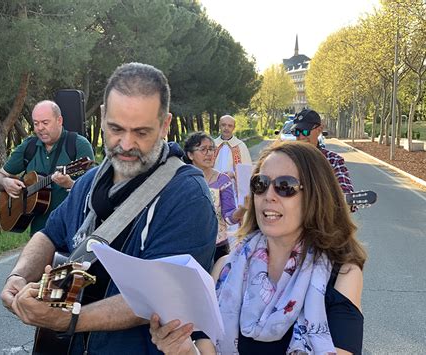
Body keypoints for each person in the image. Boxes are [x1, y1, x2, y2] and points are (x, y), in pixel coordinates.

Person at [0, 62, 218, 354]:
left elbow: (159, 296)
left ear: (165, 125)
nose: (126, 144)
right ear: (102, 116)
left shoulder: (188, 197)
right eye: (116, 128)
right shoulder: (90, 181)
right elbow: (51, 234)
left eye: (141, 132)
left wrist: (70, 319)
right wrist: (19, 276)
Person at [149, 141, 367, 355]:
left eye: (285, 186)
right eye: (260, 184)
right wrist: (182, 349)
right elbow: (206, 350)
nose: (268, 196)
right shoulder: (225, 268)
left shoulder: (342, 276)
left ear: (316, 195)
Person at [0, 100, 95, 234]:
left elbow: (94, 188)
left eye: (45, 123)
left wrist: (71, 184)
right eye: (36, 123)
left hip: (72, 230)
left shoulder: (77, 145)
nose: (39, 128)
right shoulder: (29, 146)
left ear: (59, 120)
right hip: (39, 233)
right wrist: (5, 182)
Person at [183, 131, 246, 261]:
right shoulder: (182, 180)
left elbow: (229, 218)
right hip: (189, 248)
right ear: (190, 155)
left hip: (218, 247)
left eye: (211, 149)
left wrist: (243, 209)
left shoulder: (222, 180)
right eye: (203, 149)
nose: (209, 154)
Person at [291, 109, 354, 195]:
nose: (301, 136)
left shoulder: (333, 160)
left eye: (306, 131)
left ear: (319, 130)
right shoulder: (288, 159)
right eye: (297, 132)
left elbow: (345, 190)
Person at [213, 114, 252, 184]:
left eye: (230, 126)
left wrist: (234, 174)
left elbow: (247, 171)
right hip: (214, 184)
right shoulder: (212, 145)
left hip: (233, 185)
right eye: (223, 125)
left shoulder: (240, 146)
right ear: (219, 126)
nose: (226, 128)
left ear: (234, 128)